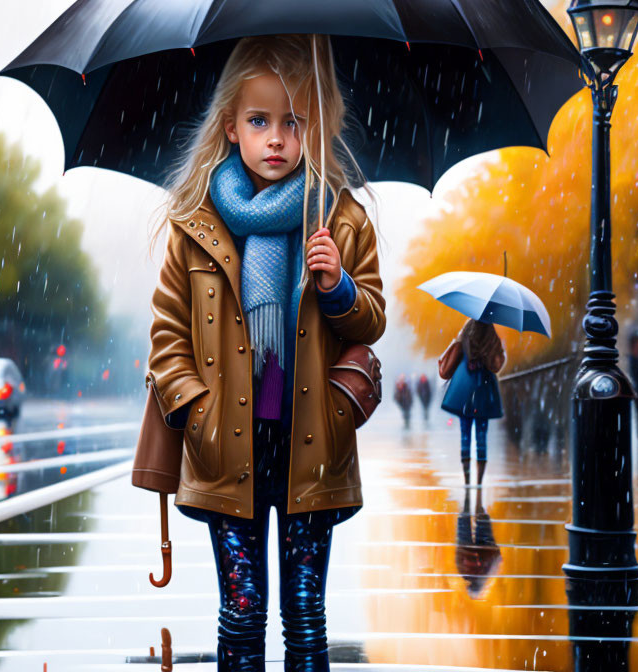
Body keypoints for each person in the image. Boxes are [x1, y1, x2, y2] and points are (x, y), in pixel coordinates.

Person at [140, 35, 386, 671]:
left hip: (313, 441)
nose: (276, 138)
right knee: (242, 611)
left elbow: (373, 319)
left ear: (317, 127)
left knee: (306, 613)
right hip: (226, 442)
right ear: (231, 128)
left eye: (294, 122)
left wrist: (337, 287)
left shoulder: (341, 218)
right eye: (259, 121)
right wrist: (197, 409)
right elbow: (168, 335)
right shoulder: (195, 226)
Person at [439, 319, 506, 486]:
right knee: (482, 434)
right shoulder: (491, 333)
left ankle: (467, 479)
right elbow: (497, 363)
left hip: (465, 387)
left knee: (465, 433)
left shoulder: (467, 331)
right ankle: (479, 481)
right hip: (484, 387)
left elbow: (453, 355)